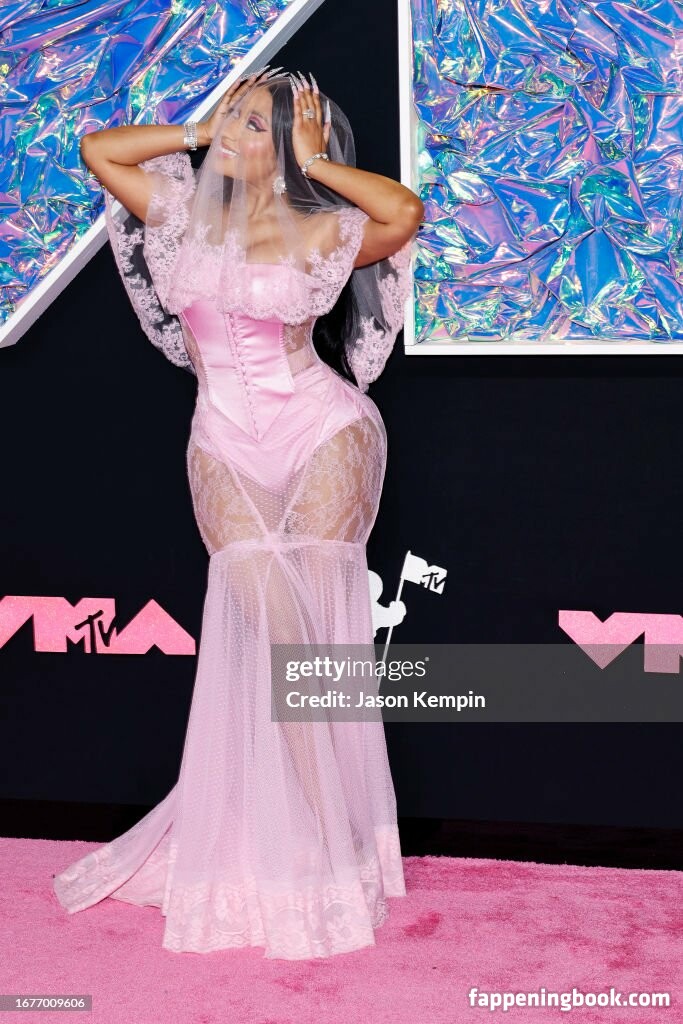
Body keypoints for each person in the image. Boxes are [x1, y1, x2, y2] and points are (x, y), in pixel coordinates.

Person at [52, 66, 423, 960]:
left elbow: (403, 213)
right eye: (234, 113)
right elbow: (98, 150)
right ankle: (315, 827)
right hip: (222, 437)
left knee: (309, 643)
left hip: (323, 428)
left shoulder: (324, 227)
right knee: (274, 623)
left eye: (256, 124)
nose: (232, 130)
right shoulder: (177, 213)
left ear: (291, 146)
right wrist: (200, 130)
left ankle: (338, 847)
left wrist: (313, 161)